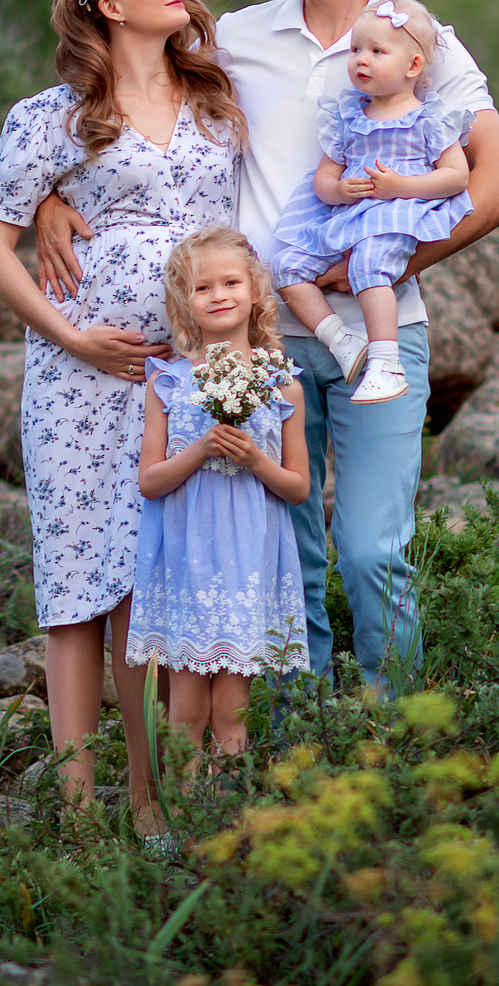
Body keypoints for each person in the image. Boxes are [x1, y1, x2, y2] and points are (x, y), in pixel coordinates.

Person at [36, 0, 499, 692]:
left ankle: (394, 746)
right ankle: (298, 751)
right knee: (285, 560)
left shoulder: (419, 38)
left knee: (375, 551)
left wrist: (382, 259)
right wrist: (50, 191)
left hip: (380, 335)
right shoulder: (240, 34)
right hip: (256, 348)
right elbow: (129, 92)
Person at [0, 0, 247, 829]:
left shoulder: (216, 98)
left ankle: (146, 799)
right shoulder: (49, 117)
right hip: (78, 380)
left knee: (146, 579)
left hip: (183, 379)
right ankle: (78, 810)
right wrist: (73, 335)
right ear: (108, 6)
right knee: (77, 583)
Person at [128, 227, 312, 771]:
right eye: (202, 287)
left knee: (232, 707)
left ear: (255, 290)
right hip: (189, 562)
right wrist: (202, 449)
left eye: (230, 282)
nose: (218, 295)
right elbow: (150, 482)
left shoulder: (282, 383)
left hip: (247, 563)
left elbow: (299, 488)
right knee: (184, 708)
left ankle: (226, 832)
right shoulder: (168, 381)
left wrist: (256, 460)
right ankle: (181, 827)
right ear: (185, 302)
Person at [268, 0, 474, 406]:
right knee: (286, 266)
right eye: (357, 49)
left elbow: (457, 176)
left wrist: (402, 187)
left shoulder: (427, 118)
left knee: (368, 263)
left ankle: (387, 363)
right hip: (347, 215)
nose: (361, 59)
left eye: (377, 51)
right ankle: (340, 338)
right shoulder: (348, 115)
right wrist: (339, 190)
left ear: (413, 67)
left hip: (396, 212)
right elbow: (325, 177)